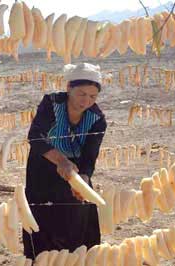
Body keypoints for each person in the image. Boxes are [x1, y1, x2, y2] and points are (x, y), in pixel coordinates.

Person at [23, 63, 107, 259]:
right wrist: (60, 160)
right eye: (81, 94)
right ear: (69, 88)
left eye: (92, 96)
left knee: (78, 218)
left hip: (75, 172)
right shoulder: (51, 104)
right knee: (42, 218)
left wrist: (84, 178)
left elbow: (89, 156)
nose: (86, 101)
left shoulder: (97, 119)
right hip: (43, 166)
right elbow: (35, 137)